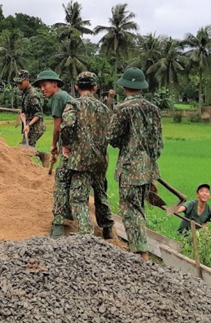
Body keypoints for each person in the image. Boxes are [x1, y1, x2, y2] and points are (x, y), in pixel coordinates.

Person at [108, 68, 163, 260]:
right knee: (139, 209)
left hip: (130, 169)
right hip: (148, 170)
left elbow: (112, 138)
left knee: (130, 212)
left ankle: (139, 256)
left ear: (124, 86)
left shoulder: (123, 109)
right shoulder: (153, 109)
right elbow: (158, 145)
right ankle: (142, 253)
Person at [59, 72, 115, 239]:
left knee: (78, 197)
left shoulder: (73, 104)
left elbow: (67, 126)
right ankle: (107, 228)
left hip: (81, 159)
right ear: (95, 87)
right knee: (100, 192)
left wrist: (67, 145)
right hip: (100, 159)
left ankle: (86, 234)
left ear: (76, 87)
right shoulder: (105, 109)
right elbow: (110, 133)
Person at [32, 70, 72, 238]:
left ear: (55, 84)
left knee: (61, 182)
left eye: (45, 84)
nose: (42, 89)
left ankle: (58, 227)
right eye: (40, 86)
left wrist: (53, 145)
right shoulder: (67, 96)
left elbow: (57, 125)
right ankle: (70, 212)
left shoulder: (57, 98)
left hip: (68, 147)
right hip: (78, 146)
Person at [13, 69, 47, 163]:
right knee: (24, 147)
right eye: (17, 83)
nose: (18, 85)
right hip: (28, 124)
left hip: (36, 127)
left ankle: (42, 157)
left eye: (20, 83)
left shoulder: (32, 95)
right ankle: (42, 156)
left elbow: (39, 113)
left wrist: (29, 125)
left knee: (25, 149)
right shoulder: (24, 92)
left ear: (27, 80)